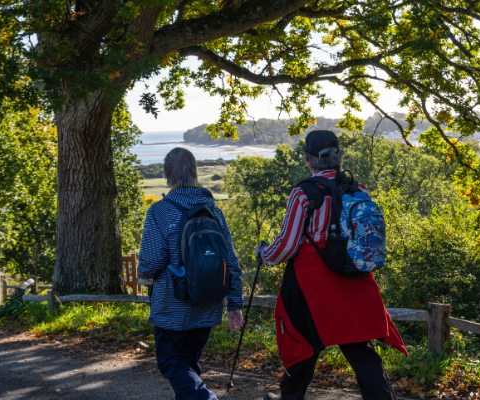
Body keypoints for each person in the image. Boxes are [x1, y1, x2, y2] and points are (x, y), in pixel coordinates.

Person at [258, 130, 406, 400]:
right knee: (361, 351)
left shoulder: (303, 193)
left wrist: (264, 255)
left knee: (302, 346)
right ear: (338, 155)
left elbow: (287, 245)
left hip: (312, 286)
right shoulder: (359, 190)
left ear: (309, 159)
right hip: (355, 279)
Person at [138, 148, 244, 400]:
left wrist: (146, 272)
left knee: (171, 362)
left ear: (167, 175)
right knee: (189, 366)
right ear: (195, 172)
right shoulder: (213, 211)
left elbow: (150, 264)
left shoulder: (160, 211)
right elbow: (230, 260)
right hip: (208, 305)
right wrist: (235, 303)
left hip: (172, 309)